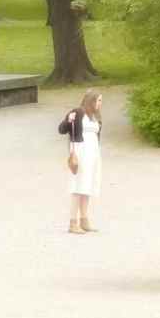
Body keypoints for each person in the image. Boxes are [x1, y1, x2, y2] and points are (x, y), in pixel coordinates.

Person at [58, 90, 102, 234]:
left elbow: (96, 136)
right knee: (78, 186)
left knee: (87, 186)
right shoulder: (78, 112)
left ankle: (84, 219)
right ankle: (73, 222)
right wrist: (68, 120)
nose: (100, 103)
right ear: (91, 101)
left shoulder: (95, 117)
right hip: (81, 153)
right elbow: (62, 129)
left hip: (93, 154)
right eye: (98, 100)